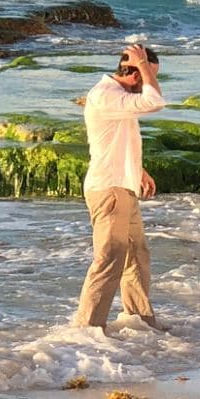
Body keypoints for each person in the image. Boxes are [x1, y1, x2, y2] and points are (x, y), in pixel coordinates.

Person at [74, 44, 166, 331]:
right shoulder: (106, 94)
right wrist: (143, 65)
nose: (151, 82)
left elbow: (116, 138)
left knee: (137, 255)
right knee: (109, 259)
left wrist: (138, 169)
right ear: (136, 74)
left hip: (123, 185)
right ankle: (88, 330)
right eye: (150, 76)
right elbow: (155, 101)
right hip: (109, 189)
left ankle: (141, 322)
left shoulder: (117, 97)